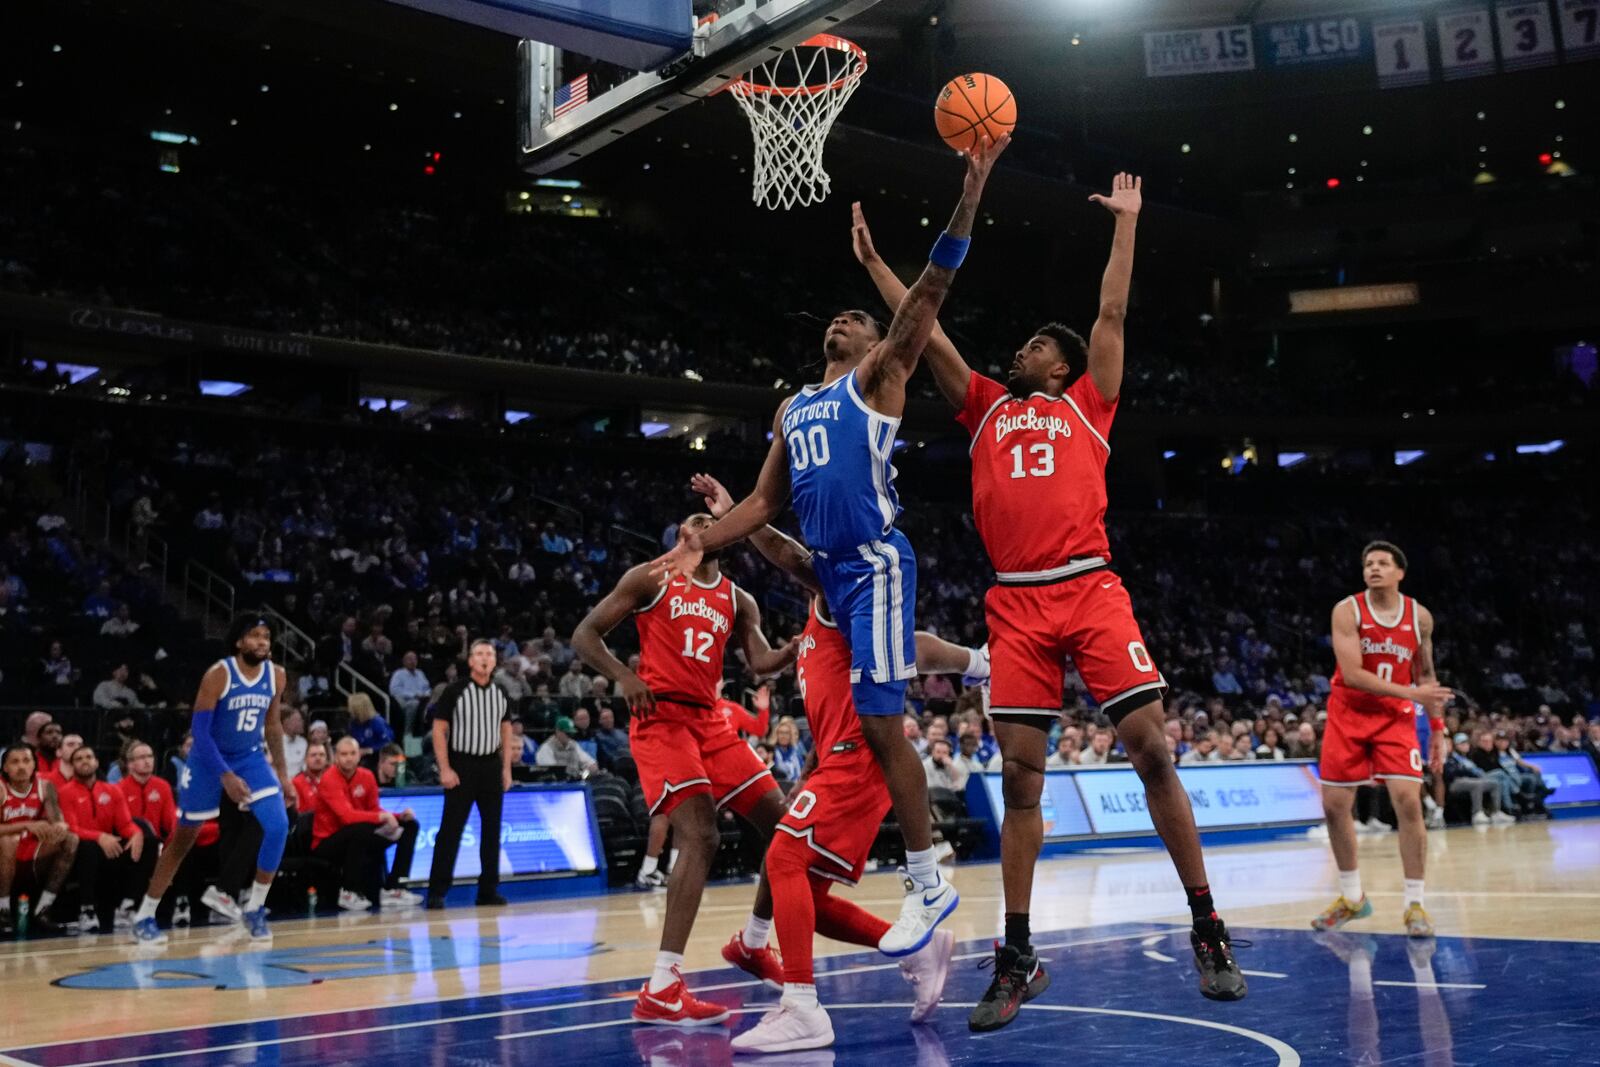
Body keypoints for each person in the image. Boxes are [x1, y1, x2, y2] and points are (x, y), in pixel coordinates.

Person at [850, 172, 1247, 1021]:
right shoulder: (986, 404)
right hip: (1017, 604)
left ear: (1060, 365)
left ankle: (1206, 923)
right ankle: (1018, 954)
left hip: (1089, 586)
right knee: (1022, 785)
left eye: (1035, 344)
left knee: (1152, 750)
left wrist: (1128, 225)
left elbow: (1110, 314)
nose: (1020, 350)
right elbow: (928, 329)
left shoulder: (1090, 405)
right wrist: (880, 264)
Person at [651, 138, 1009, 963]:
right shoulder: (792, 405)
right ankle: (976, 667)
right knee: (872, 706)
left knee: (886, 727)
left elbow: (933, 286)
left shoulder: (879, 375)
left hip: (876, 559)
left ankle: (926, 877)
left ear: (878, 340)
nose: (841, 318)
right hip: (835, 578)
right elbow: (765, 506)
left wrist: (968, 195)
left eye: (856, 314)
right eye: (838, 316)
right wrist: (701, 537)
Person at [702, 476, 978, 1051]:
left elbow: (790, 556)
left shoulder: (838, 586)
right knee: (807, 895)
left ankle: (802, 1006)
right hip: (837, 759)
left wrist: (741, 515)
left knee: (783, 857)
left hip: (862, 756)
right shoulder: (824, 611)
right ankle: (920, 951)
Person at [572, 508, 799, 1026]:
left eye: (712, 518)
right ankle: (662, 985)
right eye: (696, 518)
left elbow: (758, 661)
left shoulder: (738, 598)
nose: (706, 522)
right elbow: (585, 634)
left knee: (786, 828)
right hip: (662, 718)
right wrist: (623, 676)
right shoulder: (651, 577)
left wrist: (787, 654)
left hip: (712, 723)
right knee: (701, 834)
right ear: (681, 533)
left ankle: (754, 943)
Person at [1312, 543, 1453, 940]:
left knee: (1408, 800)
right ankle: (1352, 896)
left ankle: (1415, 904)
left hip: (1394, 720)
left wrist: (1438, 731)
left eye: (1382, 563)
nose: (1373, 568)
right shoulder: (1347, 610)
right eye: (1368, 564)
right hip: (1349, 713)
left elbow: (1426, 676)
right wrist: (1413, 695)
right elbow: (1353, 673)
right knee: (1335, 805)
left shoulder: (1419, 617)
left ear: (1399, 573)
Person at [131, 611, 293, 944]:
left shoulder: (277, 675)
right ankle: (145, 914)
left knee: (277, 826)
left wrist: (283, 773)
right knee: (183, 839)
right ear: (239, 641)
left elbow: (273, 725)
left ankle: (254, 908)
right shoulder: (219, 675)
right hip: (208, 759)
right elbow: (200, 734)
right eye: (255, 635)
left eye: (266, 636)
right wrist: (226, 777)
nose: (262, 641)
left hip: (250, 757)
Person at [425, 640, 514, 909]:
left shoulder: (501, 692)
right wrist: (445, 768)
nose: (485, 658)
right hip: (461, 765)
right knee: (450, 830)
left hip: (490, 766)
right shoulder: (455, 690)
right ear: (471, 661)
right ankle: (437, 892)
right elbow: (439, 730)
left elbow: (506, 731)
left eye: (489, 654)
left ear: (495, 661)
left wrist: (506, 768)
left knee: (492, 831)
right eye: (479, 654)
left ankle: (488, 890)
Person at [312, 737, 421, 911]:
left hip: (360, 835)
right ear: (336, 757)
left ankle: (394, 888)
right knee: (360, 830)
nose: (348, 758)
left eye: (352, 753)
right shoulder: (329, 779)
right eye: (344, 754)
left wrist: (398, 816)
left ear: (359, 755)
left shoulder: (367, 776)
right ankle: (349, 892)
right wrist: (382, 818)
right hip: (327, 842)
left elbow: (374, 809)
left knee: (410, 825)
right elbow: (347, 817)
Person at [59, 744, 153, 935]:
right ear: (72, 765)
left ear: (96, 762)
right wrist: (99, 836)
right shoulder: (65, 792)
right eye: (79, 759)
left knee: (149, 842)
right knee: (88, 847)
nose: (85, 761)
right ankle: (87, 910)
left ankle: (127, 907)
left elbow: (125, 824)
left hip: (109, 849)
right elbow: (71, 828)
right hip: (80, 853)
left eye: (88, 757)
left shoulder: (111, 790)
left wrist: (136, 834)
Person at [0, 743, 76, 935]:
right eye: (15, 762)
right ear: (5, 768)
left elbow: (57, 819)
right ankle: (3, 910)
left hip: (29, 849)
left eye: (26, 761)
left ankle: (44, 908)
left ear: (34, 765)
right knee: (8, 840)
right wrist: (26, 825)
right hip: (4, 850)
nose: (21, 766)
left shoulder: (44, 786)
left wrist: (59, 827)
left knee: (70, 840)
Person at [346, 693, 394, 761]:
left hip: (379, 757)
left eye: (352, 709)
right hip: (360, 757)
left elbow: (387, 743)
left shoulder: (377, 722)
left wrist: (368, 750)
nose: (349, 711)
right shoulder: (353, 723)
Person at [292, 740, 329, 814]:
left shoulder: (333, 780)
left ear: (326, 759)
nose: (318, 758)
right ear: (305, 759)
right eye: (313, 755)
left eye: (322, 755)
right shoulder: (296, 782)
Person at [280, 708, 309, 779]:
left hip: (299, 783)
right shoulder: (276, 742)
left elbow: (305, 767)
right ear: (286, 722)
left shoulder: (303, 742)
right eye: (298, 720)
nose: (302, 722)